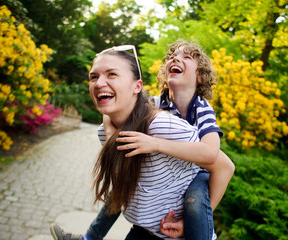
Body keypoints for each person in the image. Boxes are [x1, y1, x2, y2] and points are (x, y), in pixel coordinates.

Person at [51, 40, 235, 239]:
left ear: (200, 76)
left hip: (197, 171)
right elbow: (119, 107)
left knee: (195, 200)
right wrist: (109, 119)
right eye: (172, 56)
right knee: (122, 186)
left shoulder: (202, 108)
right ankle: (90, 237)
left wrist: (155, 144)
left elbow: (211, 154)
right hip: (166, 178)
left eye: (186, 57)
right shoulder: (155, 103)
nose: (175, 58)